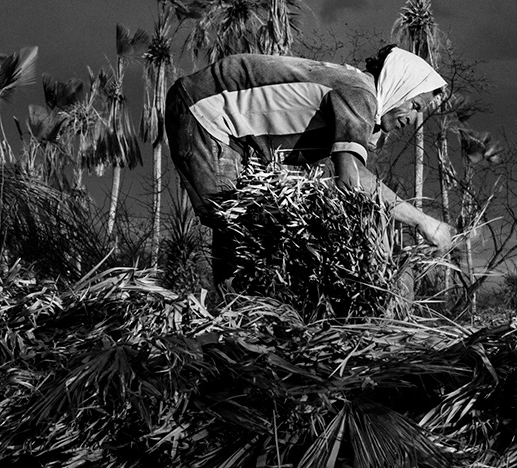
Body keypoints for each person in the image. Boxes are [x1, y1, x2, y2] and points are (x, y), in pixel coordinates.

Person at [164, 45, 456, 287]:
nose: (414, 120)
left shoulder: (355, 93)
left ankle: (239, 320)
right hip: (203, 112)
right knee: (242, 225)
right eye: (415, 106)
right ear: (400, 84)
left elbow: (351, 185)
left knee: (251, 225)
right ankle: (237, 324)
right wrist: (424, 221)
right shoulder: (359, 94)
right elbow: (352, 180)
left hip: (229, 133)